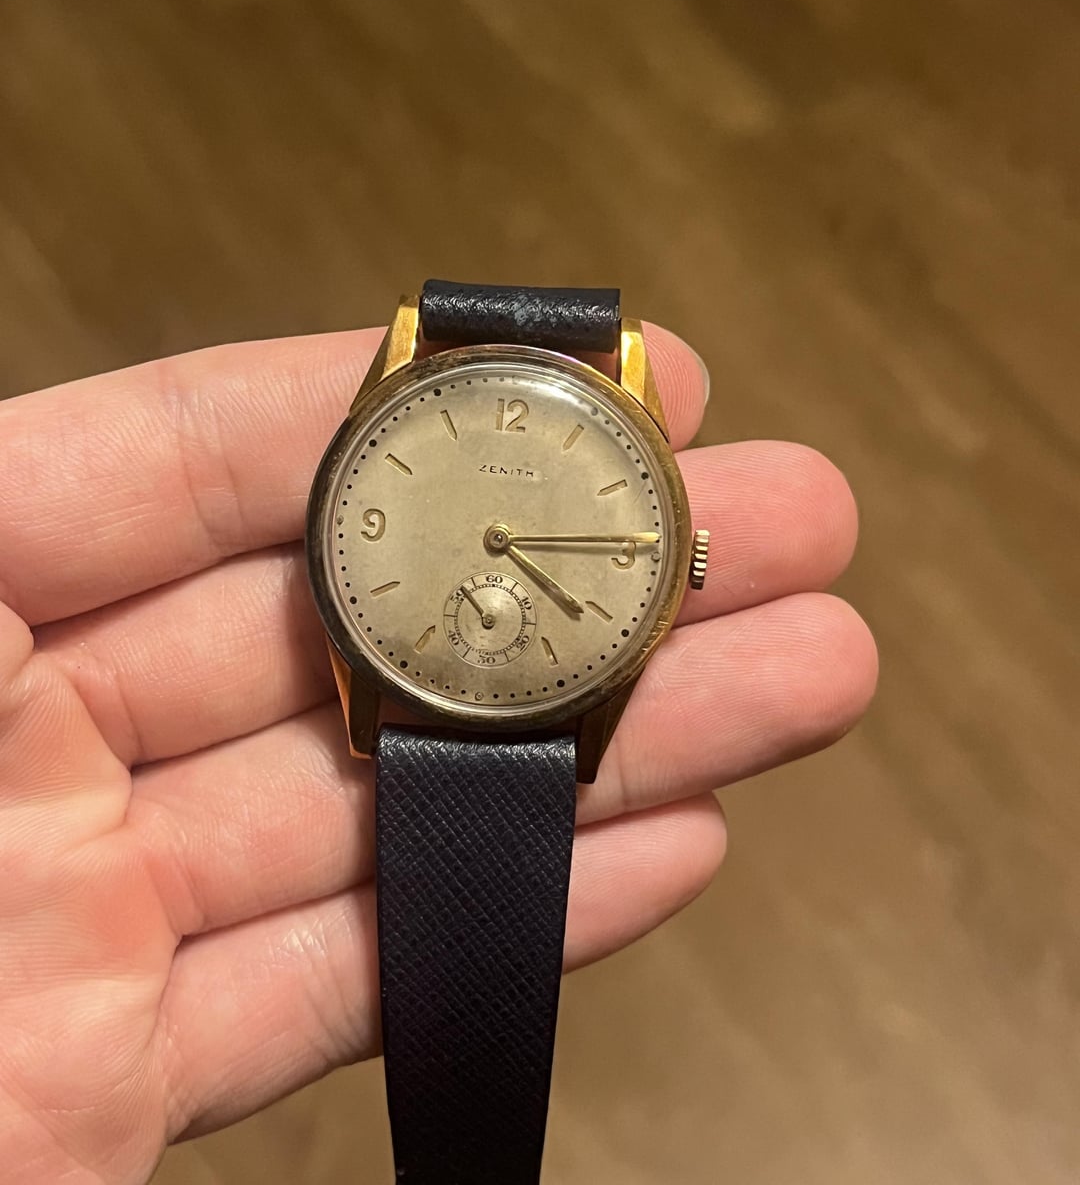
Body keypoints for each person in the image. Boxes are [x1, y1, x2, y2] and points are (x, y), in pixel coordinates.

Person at [0, 324, 877, 1184]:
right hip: (402, 685)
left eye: (508, 541)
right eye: (499, 540)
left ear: (684, 558)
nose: (498, 542)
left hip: (533, 702)